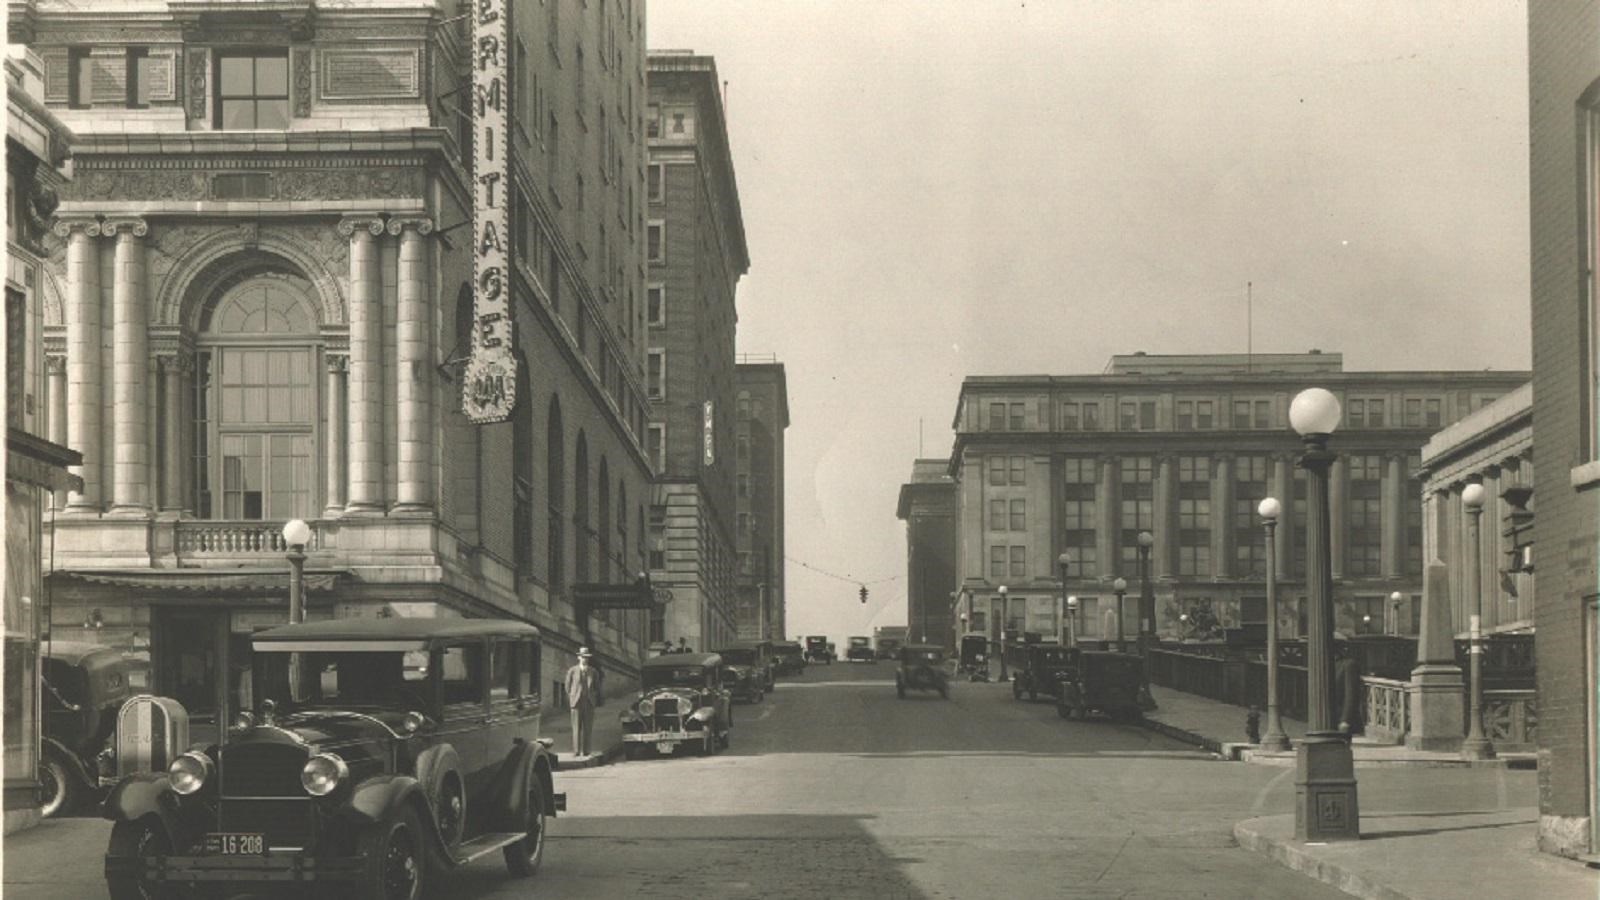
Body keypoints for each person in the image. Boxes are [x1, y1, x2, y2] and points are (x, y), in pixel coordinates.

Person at [563, 647, 600, 759]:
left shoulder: (593, 672)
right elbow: (567, 686)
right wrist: (572, 697)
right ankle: (576, 751)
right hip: (576, 702)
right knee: (576, 727)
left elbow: (597, 687)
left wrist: (592, 697)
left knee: (588, 727)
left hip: (588, 702)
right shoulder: (572, 671)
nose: (585, 659)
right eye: (583, 657)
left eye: (587, 657)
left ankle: (587, 751)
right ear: (578, 657)